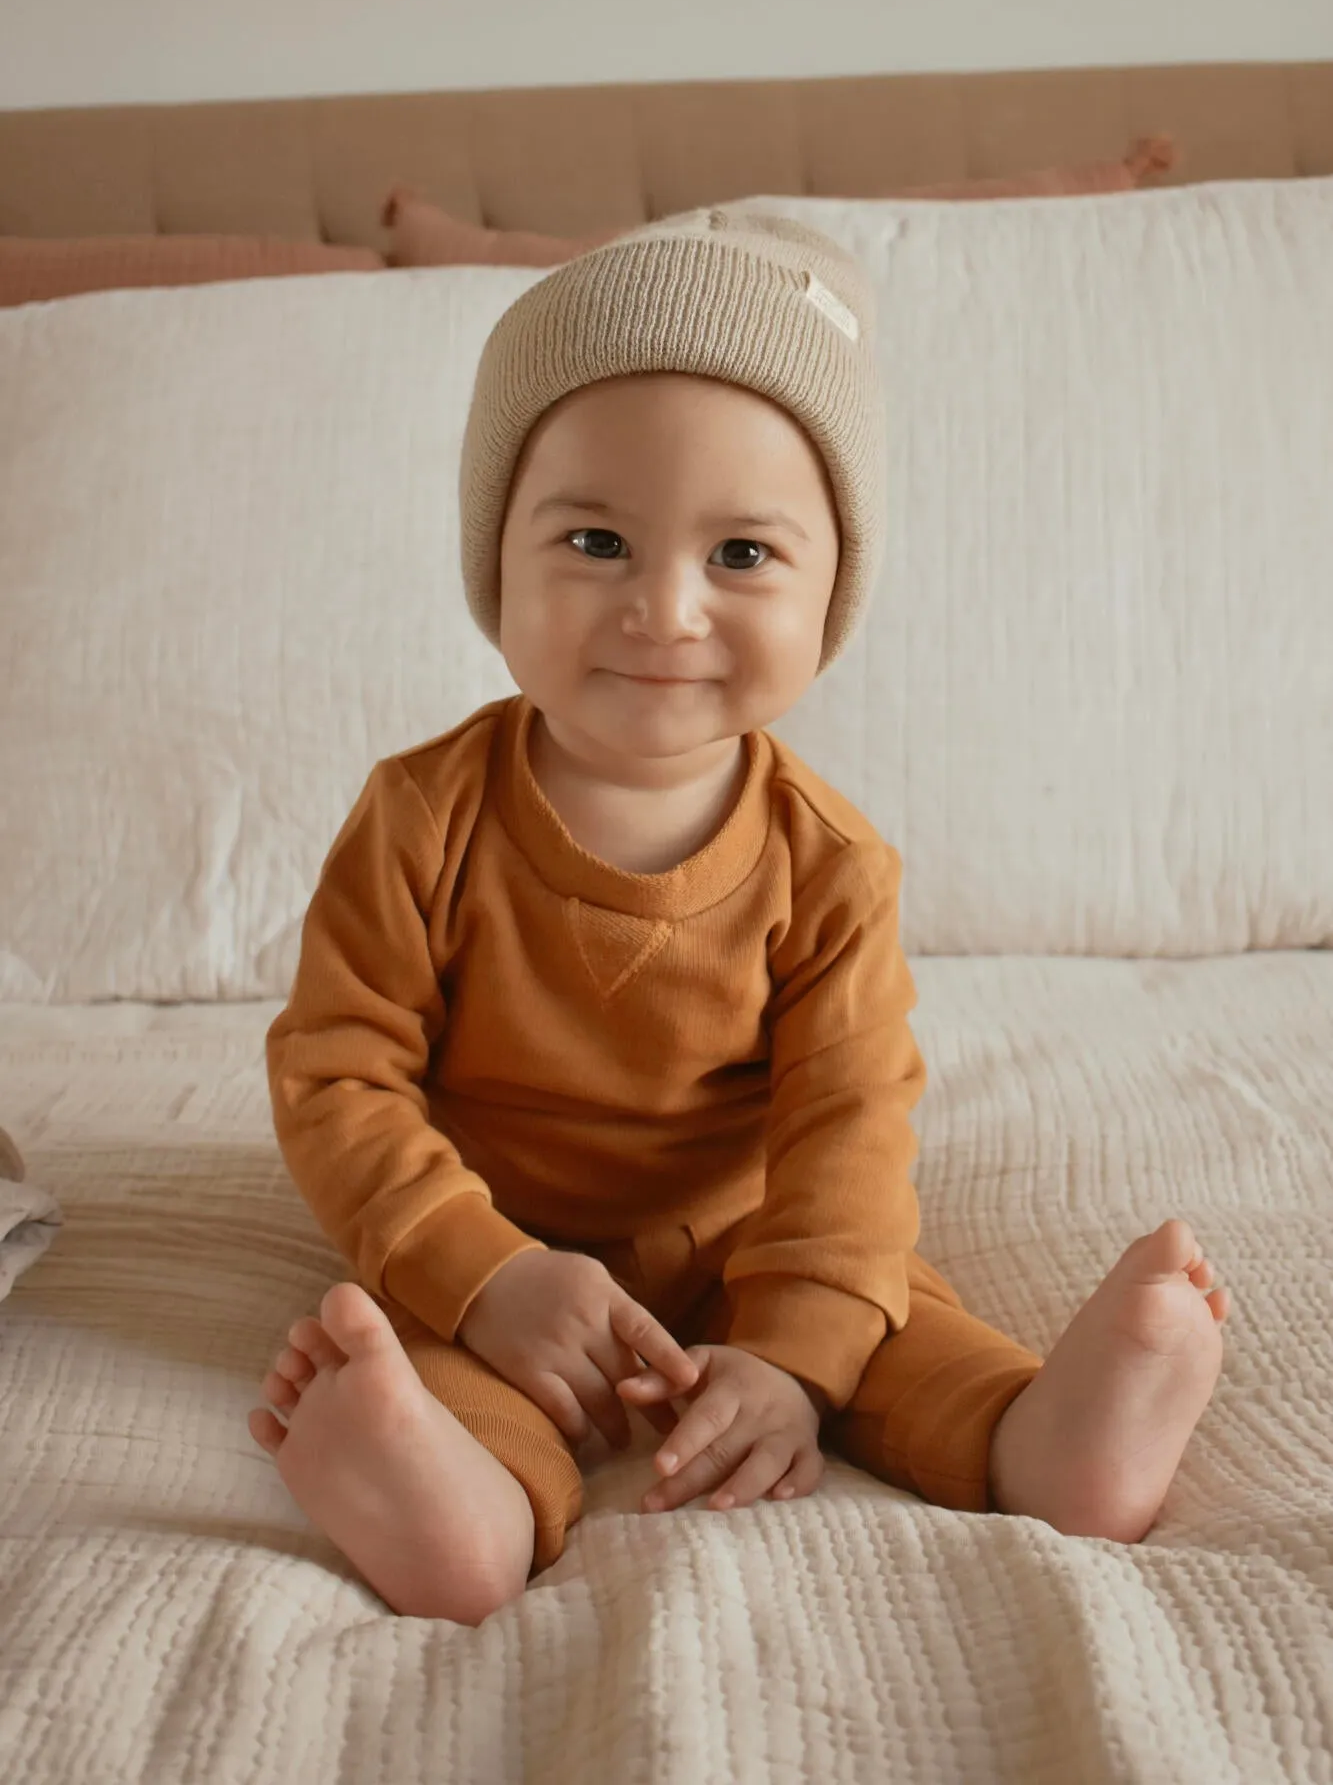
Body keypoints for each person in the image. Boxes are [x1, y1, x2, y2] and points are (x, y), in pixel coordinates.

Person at [250, 208, 1230, 1627]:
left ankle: (1051, 1438)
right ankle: (450, 1508)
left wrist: (796, 1357)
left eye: (742, 557)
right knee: (459, 1381)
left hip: (748, 1237)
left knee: (894, 1314)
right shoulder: (420, 820)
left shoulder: (828, 865)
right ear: (494, 563)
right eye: (595, 539)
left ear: (835, 588)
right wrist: (489, 1275)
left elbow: (848, 1126)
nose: (662, 608)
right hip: (494, 1238)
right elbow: (338, 1075)